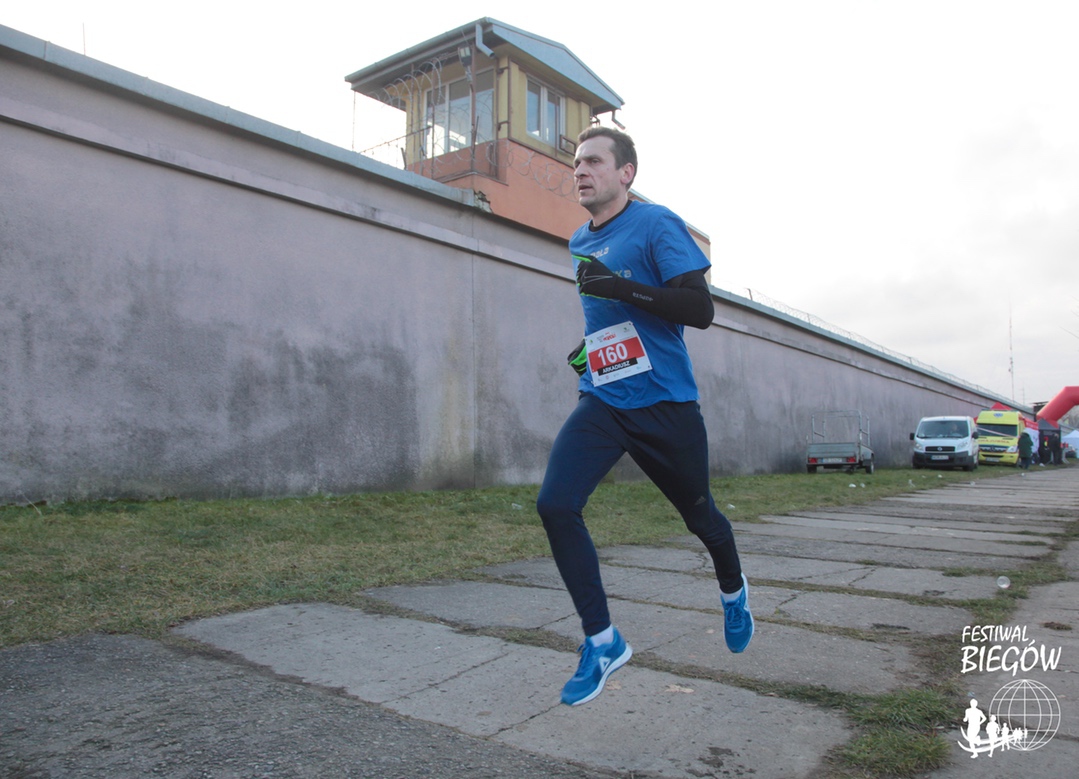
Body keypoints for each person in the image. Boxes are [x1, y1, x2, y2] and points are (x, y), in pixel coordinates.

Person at [536, 126, 753, 707]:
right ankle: (602, 641)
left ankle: (733, 592)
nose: (580, 171)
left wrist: (622, 288)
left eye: (593, 162)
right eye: (576, 164)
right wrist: (591, 350)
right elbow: (610, 321)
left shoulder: (657, 223)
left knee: (702, 518)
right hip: (604, 398)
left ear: (626, 172)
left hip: (665, 403)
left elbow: (699, 310)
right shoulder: (579, 240)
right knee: (555, 504)